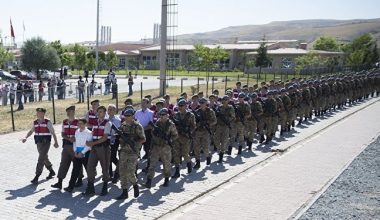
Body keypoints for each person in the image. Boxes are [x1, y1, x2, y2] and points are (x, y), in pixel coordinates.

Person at [21, 108, 59, 184]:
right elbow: (31, 131)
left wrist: (56, 142)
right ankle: (51, 171)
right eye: (37, 112)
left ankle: (37, 176)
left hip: (46, 143)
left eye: (39, 112)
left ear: (43, 114)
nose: (37, 114)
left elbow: (53, 133)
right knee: (44, 157)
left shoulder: (47, 122)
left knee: (41, 158)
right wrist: (25, 137)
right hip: (38, 143)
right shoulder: (35, 122)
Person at [115, 108, 146, 200]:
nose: (126, 117)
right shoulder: (123, 125)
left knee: (130, 171)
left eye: (128, 116)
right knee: (122, 172)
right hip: (123, 151)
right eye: (125, 115)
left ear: (133, 116)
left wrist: (134, 142)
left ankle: (135, 185)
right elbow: (119, 136)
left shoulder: (137, 126)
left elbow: (143, 139)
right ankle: (124, 192)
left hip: (133, 151)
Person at [83, 106, 112, 196]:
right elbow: (92, 134)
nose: (99, 113)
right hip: (94, 148)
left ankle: (105, 187)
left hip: (103, 147)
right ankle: (90, 187)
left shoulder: (108, 123)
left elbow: (105, 137)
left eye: (101, 112)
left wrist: (92, 143)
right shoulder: (95, 122)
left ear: (104, 113)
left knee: (105, 167)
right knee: (90, 167)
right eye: (98, 112)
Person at [145, 108, 178, 188]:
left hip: (166, 147)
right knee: (152, 164)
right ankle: (149, 181)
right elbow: (153, 134)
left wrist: (169, 140)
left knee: (166, 164)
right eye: (160, 115)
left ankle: (166, 179)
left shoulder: (171, 124)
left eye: (163, 115)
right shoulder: (157, 123)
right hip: (156, 146)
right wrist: (155, 134)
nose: (162, 116)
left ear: (167, 115)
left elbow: (175, 135)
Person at [51, 106, 81, 189]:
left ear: (73, 112)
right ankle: (59, 182)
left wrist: (75, 138)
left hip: (76, 146)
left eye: (69, 111)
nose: (67, 113)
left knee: (77, 163)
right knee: (63, 163)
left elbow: (81, 133)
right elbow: (62, 133)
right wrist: (68, 138)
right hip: (66, 145)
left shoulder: (78, 122)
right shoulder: (64, 122)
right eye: (67, 111)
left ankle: (79, 180)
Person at [64, 118, 93, 192]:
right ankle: (70, 186)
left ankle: (90, 188)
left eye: (81, 123)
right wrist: (75, 151)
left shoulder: (89, 133)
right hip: (77, 153)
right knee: (75, 170)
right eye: (78, 123)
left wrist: (82, 152)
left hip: (86, 153)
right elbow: (74, 142)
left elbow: (88, 145)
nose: (79, 125)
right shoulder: (77, 131)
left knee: (89, 171)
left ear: (85, 124)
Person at [171, 99, 196, 178]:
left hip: (186, 138)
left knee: (185, 154)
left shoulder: (190, 115)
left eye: (182, 106)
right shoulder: (176, 115)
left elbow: (193, 126)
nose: (180, 107)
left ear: (186, 106)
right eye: (179, 106)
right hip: (177, 137)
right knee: (176, 155)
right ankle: (177, 171)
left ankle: (189, 166)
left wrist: (188, 132)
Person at [193, 97, 217, 168]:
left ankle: (208, 156)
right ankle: (197, 162)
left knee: (205, 148)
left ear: (206, 103)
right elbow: (193, 122)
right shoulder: (197, 112)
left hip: (206, 131)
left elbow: (214, 121)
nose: (202, 104)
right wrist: (197, 124)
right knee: (196, 148)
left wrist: (207, 123)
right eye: (200, 103)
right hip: (198, 131)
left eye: (203, 103)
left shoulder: (210, 111)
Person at [214, 96, 235, 163]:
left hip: (226, 126)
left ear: (228, 100)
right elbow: (215, 115)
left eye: (226, 100)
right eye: (223, 99)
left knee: (224, 141)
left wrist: (226, 119)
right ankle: (221, 150)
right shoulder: (219, 107)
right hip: (219, 126)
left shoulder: (230, 108)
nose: (224, 101)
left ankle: (221, 155)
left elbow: (232, 117)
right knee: (215, 139)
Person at [107, 104, 122, 182]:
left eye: (111, 109)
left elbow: (119, 130)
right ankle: (110, 174)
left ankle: (120, 168)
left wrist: (115, 135)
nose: (109, 111)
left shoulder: (117, 120)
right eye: (108, 109)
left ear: (114, 111)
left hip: (115, 140)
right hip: (106, 140)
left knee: (112, 157)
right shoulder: (106, 119)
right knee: (108, 158)